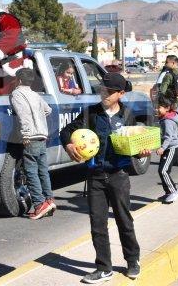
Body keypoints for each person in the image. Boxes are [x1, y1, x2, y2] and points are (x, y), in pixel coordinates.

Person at [60, 73, 143, 283]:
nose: (103, 93)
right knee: (97, 224)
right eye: (102, 89)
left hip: (119, 176)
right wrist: (68, 143)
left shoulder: (127, 115)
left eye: (108, 91)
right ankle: (104, 268)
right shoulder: (92, 113)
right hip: (96, 176)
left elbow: (133, 145)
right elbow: (66, 130)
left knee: (124, 220)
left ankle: (133, 261)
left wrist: (141, 152)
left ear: (120, 94)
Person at [10, 68, 55, 219]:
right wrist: (39, 118)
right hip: (42, 136)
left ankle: (39, 205)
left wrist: (25, 134)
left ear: (20, 80)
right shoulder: (35, 94)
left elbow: (23, 115)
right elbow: (48, 110)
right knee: (43, 170)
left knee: (31, 172)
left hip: (32, 137)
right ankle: (49, 200)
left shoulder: (17, 94)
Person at [155, 94, 178, 204]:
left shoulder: (168, 120)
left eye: (159, 107)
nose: (156, 109)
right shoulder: (166, 117)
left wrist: (162, 148)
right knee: (162, 171)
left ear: (167, 108)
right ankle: (168, 192)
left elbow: (168, 137)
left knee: (163, 171)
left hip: (170, 148)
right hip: (168, 148)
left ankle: (173, 191)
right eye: (156, 107)